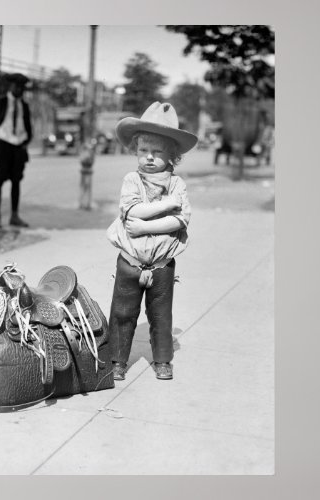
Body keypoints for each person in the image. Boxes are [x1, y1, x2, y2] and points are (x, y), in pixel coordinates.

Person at [106, 102, 198, 381]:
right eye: (143, 150)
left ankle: (162, 360)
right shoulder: (132, 180)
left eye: (157, 152)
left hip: (161, 264)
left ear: (172, 156)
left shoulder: (176, 185)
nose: (149, 157)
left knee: (160, 315)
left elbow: (180, 220)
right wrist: (155, 213)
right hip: (130, 261)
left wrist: (143, 226)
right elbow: (131, 212)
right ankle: (116, 360)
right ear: (135, 150)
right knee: (122, 313)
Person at [0, 73, 33, 227]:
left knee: (16, 182)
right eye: (17, 86)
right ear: (11, 86)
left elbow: (28, 126)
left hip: (18, 146)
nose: (20, 90)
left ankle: (14, 216)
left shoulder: (24, 105)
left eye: (22, 87)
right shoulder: (1, 102)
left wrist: (26, 141)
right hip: (3, 144)